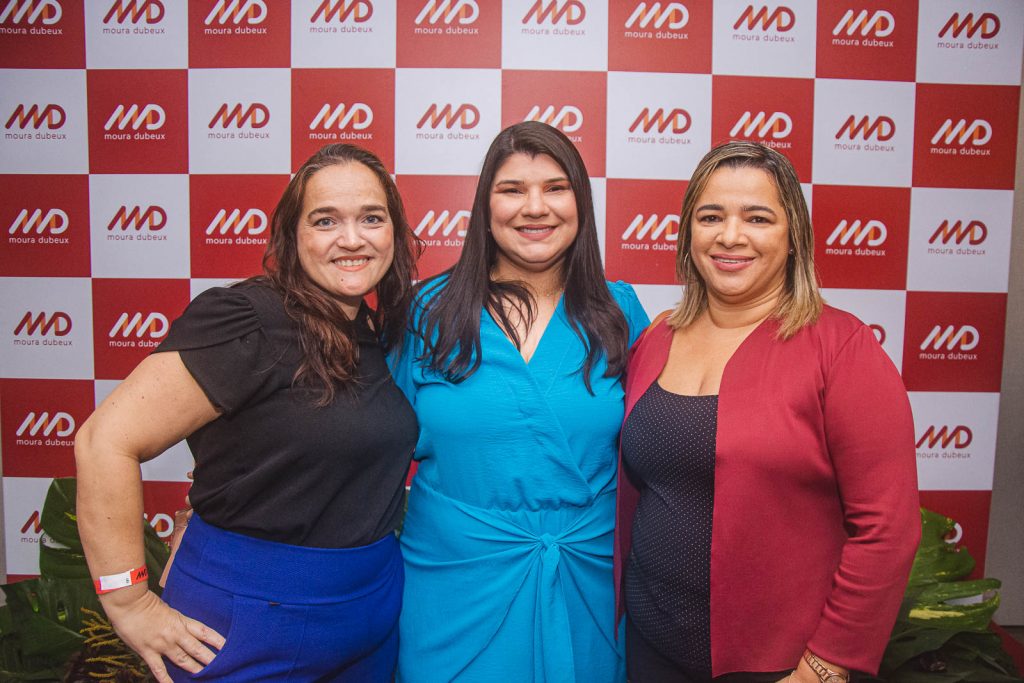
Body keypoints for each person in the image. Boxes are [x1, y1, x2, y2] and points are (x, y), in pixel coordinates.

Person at [75, 144, 420, 682]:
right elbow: (105, 441)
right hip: (254, 617)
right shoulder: (246, 318)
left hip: (369, 609)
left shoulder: (371, 329)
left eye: (371, 218)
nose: (352, 239)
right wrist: (129, 603)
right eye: (325, 220)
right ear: (292, 235)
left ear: (393, 233)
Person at [615, 141, 920, 683]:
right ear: (689, 232)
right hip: (651, 646)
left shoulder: (840, 347)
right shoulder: (658, 337)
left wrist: (825, 666)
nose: (731, 236)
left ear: (792, 235)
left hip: (781, 666)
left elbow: (887, 528)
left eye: (758, 217)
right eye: (711, 216)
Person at [390, 121, 650, 681]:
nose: (536, 207)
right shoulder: (426, 312)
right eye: (512, 190)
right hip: (452, 582)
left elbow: (661, 451)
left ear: (581, 202)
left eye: (556, 188)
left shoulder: (620, 312)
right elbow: (369, 440)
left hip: (591, 579)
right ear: (485, 206)